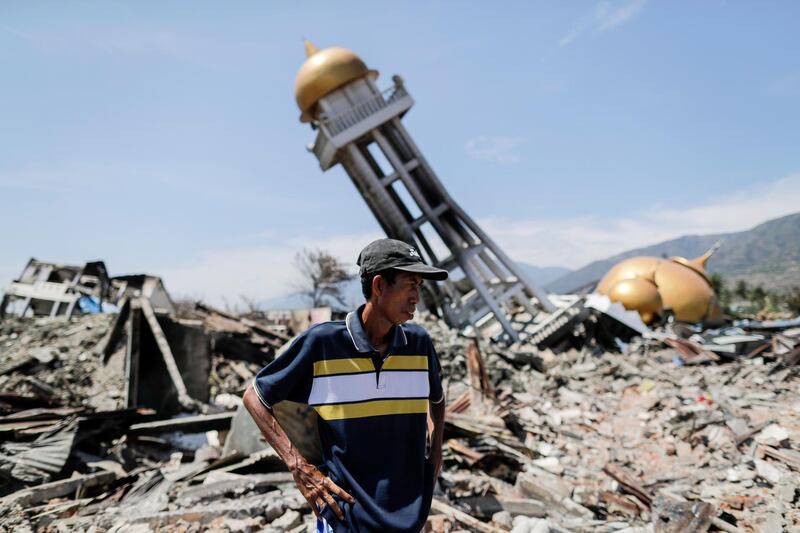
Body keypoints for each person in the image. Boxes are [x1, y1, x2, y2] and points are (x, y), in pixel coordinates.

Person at [242, 238, 449, 533]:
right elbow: (255, 397)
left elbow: (437, 399)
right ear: (379, 286)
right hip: (345, 516)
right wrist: (299, 467)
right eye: (410, 284)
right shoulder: (323, 344)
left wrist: (436, 453)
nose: (417, 296)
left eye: (420, 286)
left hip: (408, 515)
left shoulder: (419, 344)